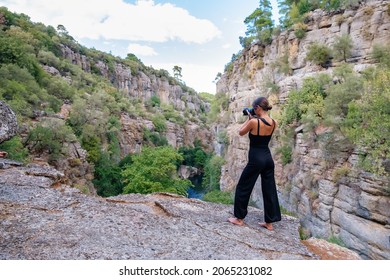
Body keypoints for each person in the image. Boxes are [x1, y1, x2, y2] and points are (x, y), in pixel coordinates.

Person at [228, 96, 281, 230]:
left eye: (254, 108)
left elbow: (241, 132)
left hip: (256, 159)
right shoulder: (274, 122)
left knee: (244, 186)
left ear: (257, 108)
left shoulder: (254, 122)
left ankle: (239, 218)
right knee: (269, 189)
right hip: (268, 159)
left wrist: (249, 119)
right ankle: (269, 223)